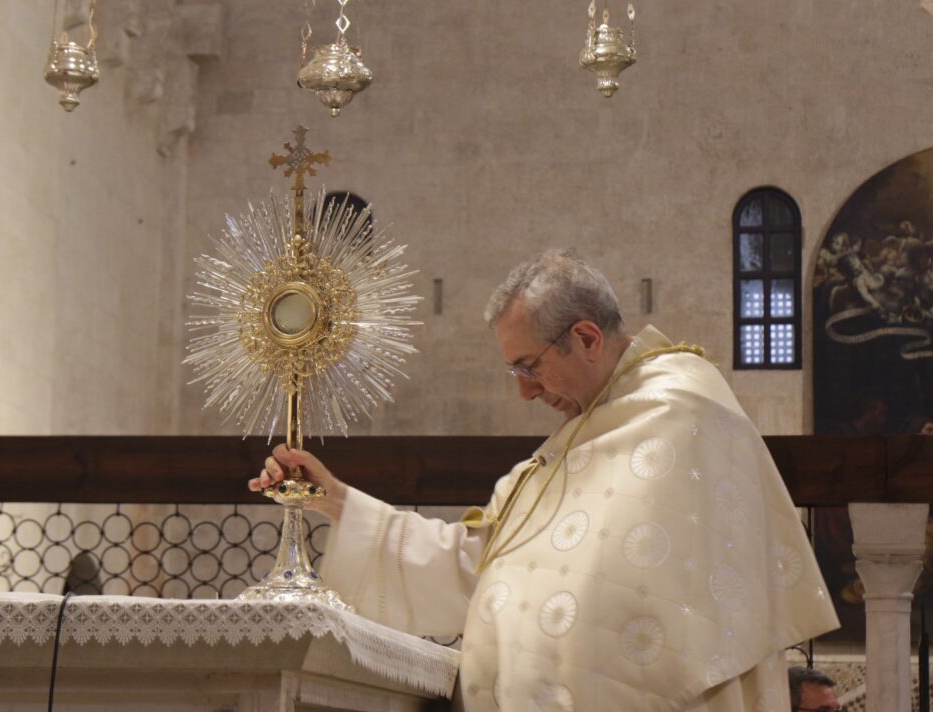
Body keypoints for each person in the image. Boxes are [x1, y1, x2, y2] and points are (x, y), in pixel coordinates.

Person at [252, 248, 839, 711]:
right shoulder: (568, 448)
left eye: (528, 367)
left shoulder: (683, 409)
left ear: (585, 338)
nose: (523, 391)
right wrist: (337, 500)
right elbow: (479, 565)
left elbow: (649, 600)